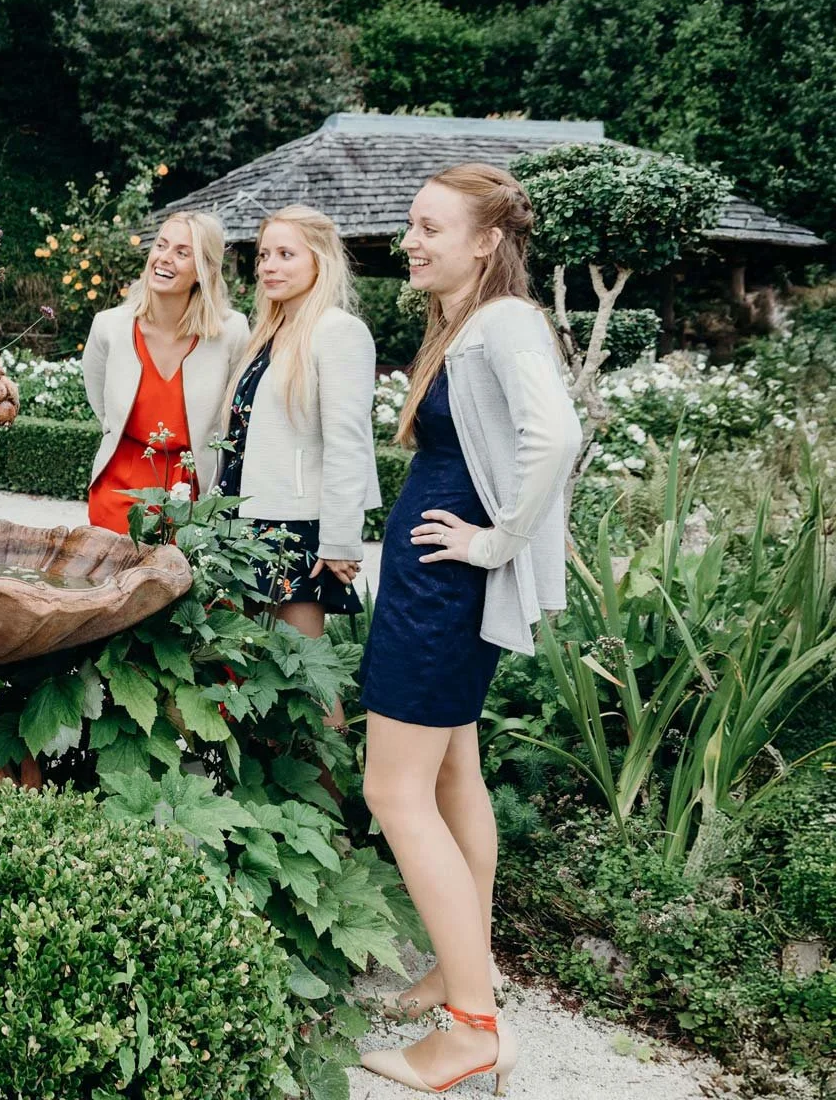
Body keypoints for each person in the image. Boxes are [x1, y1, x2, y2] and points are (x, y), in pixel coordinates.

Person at [358, 163, 579, 1095]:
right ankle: (463, 970)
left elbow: (558, 436)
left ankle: (473, 1030)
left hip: (444, 593)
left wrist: (496, 543)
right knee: (453, 775)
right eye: (411, 225)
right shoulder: (470, 324)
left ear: (487, 241)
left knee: (392, 791)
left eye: (429, 227)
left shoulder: (504, 322)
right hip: (441, 586)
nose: (410, 240)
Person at [214, 206, 379, 726]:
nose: (269, 266)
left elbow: (348, 443)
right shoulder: (268, 332)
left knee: (306, 675)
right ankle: (270, 796)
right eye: (264, 255)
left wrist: (340, 542)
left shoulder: (338, 332)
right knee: (252, 672)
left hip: (295, 528)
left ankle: (335, 798)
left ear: (320, 261)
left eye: (286, 254)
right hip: (243, 522)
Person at [82, 210, 248, 533]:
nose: (164, 258)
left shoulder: (232, 332)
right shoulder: (109, 326)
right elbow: (99, 399)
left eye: (182, 253)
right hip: (119, 489)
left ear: (204, 270)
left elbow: (236, 414)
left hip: (193, 494)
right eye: (161, 245)